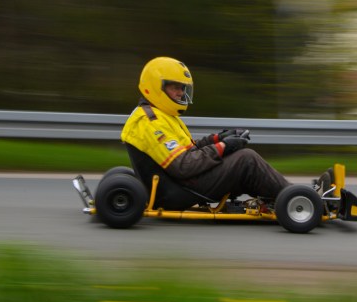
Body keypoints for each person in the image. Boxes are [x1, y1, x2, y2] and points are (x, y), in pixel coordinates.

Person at [120, 56, 329, 211]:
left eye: (183, 88)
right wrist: (223, 148)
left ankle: (283, 198)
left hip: (181, 183)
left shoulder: (160, 115)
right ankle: (300, 200)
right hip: (180, 191)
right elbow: (183, 165)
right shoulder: (151, 122)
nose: (181, 93)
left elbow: (188, 150)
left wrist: (218, 138)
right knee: (246, 159)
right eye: (176, 87)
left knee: (237, 159)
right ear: (155, 87)